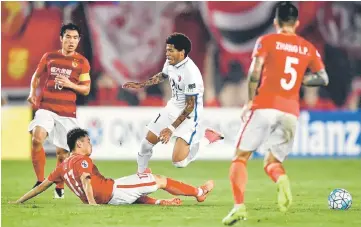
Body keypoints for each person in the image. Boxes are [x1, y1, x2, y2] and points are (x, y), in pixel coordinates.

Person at [222, 2, 329, 225]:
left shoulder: (267, 41)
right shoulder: (307, 47)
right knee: (272, 162)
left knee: (240, 158)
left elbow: (254, 72)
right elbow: (323, 78)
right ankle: (281, 180)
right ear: (297, 22)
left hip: (265, 106)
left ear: (275, 21)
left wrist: (250, 100)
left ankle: (239, 207)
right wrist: (301, 80)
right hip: (290, 112)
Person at [10, 128, 214, 206]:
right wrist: (92, 205)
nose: (90, 144)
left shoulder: (62, 167)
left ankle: (161, 203)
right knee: (160, 179)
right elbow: (86, 180)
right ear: (79, 144)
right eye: (88, 141)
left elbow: (40, 187)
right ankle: (199, 192)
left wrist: (19, 201)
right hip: (109, 193)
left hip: (111, 189)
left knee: (138, 185)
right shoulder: (82, 161)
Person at [123, 32, 223, 173]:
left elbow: (190, 106)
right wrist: (141, 85)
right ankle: (141, 175)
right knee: (146, 145)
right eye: (167, 50)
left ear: (181, 53)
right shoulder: (171, 62)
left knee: (179, 163)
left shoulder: (191, 73)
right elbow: (163, 75)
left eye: (170, 50)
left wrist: (171, 129)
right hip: (172, 107)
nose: (167, 53)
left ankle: (207, 138)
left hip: (189, 115)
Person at [26, 23, 91, 199]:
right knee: (37, 138)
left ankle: (59, 186)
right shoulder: (50, 57)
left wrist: (69, 84)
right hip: (46, 107)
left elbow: (86, 89)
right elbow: (36, 76)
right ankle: (40, 181)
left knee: (62, 154)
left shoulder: (82, 62)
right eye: (68, 37)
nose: (71, 41)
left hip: (67, 112)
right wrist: (32, 93)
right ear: (61, 38)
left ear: (79, 40)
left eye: (75, 38)